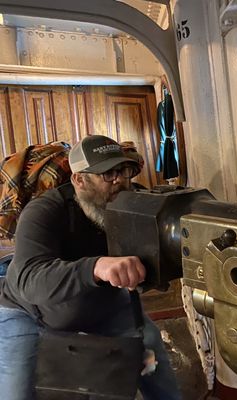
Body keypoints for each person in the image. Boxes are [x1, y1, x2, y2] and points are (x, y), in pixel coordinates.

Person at [0, 135, 182, 400]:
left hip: (103, 306)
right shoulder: (44, 212)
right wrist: (95, 267)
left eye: (123, 170)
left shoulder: (132, 202)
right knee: (16, 391)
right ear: (79, 180)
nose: (120, 180)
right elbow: (30, 281)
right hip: (28, 312)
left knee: (154, 359)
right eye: (107, 173)